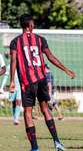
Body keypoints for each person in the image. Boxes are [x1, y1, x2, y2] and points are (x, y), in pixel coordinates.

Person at [9, 14, 75, 151]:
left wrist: (11, 82)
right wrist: (66, 69)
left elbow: (14, 61)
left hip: (27, 82)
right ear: (31, 25)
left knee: (28, 112)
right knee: (45, 109)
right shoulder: (40, 39)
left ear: (21, 25)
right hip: (41, 79)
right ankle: (57, 142)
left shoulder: (15, 41)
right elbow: (50, 57)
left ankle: (34, 148)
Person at [0, 52, 22, 125]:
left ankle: (16, 119)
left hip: (19, 87)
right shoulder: (9, 66)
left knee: (18, 101)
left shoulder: (21, 67)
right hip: (12, 86)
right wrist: (2, 87)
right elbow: (6, 77)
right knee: (13, 102)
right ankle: (14, 117)